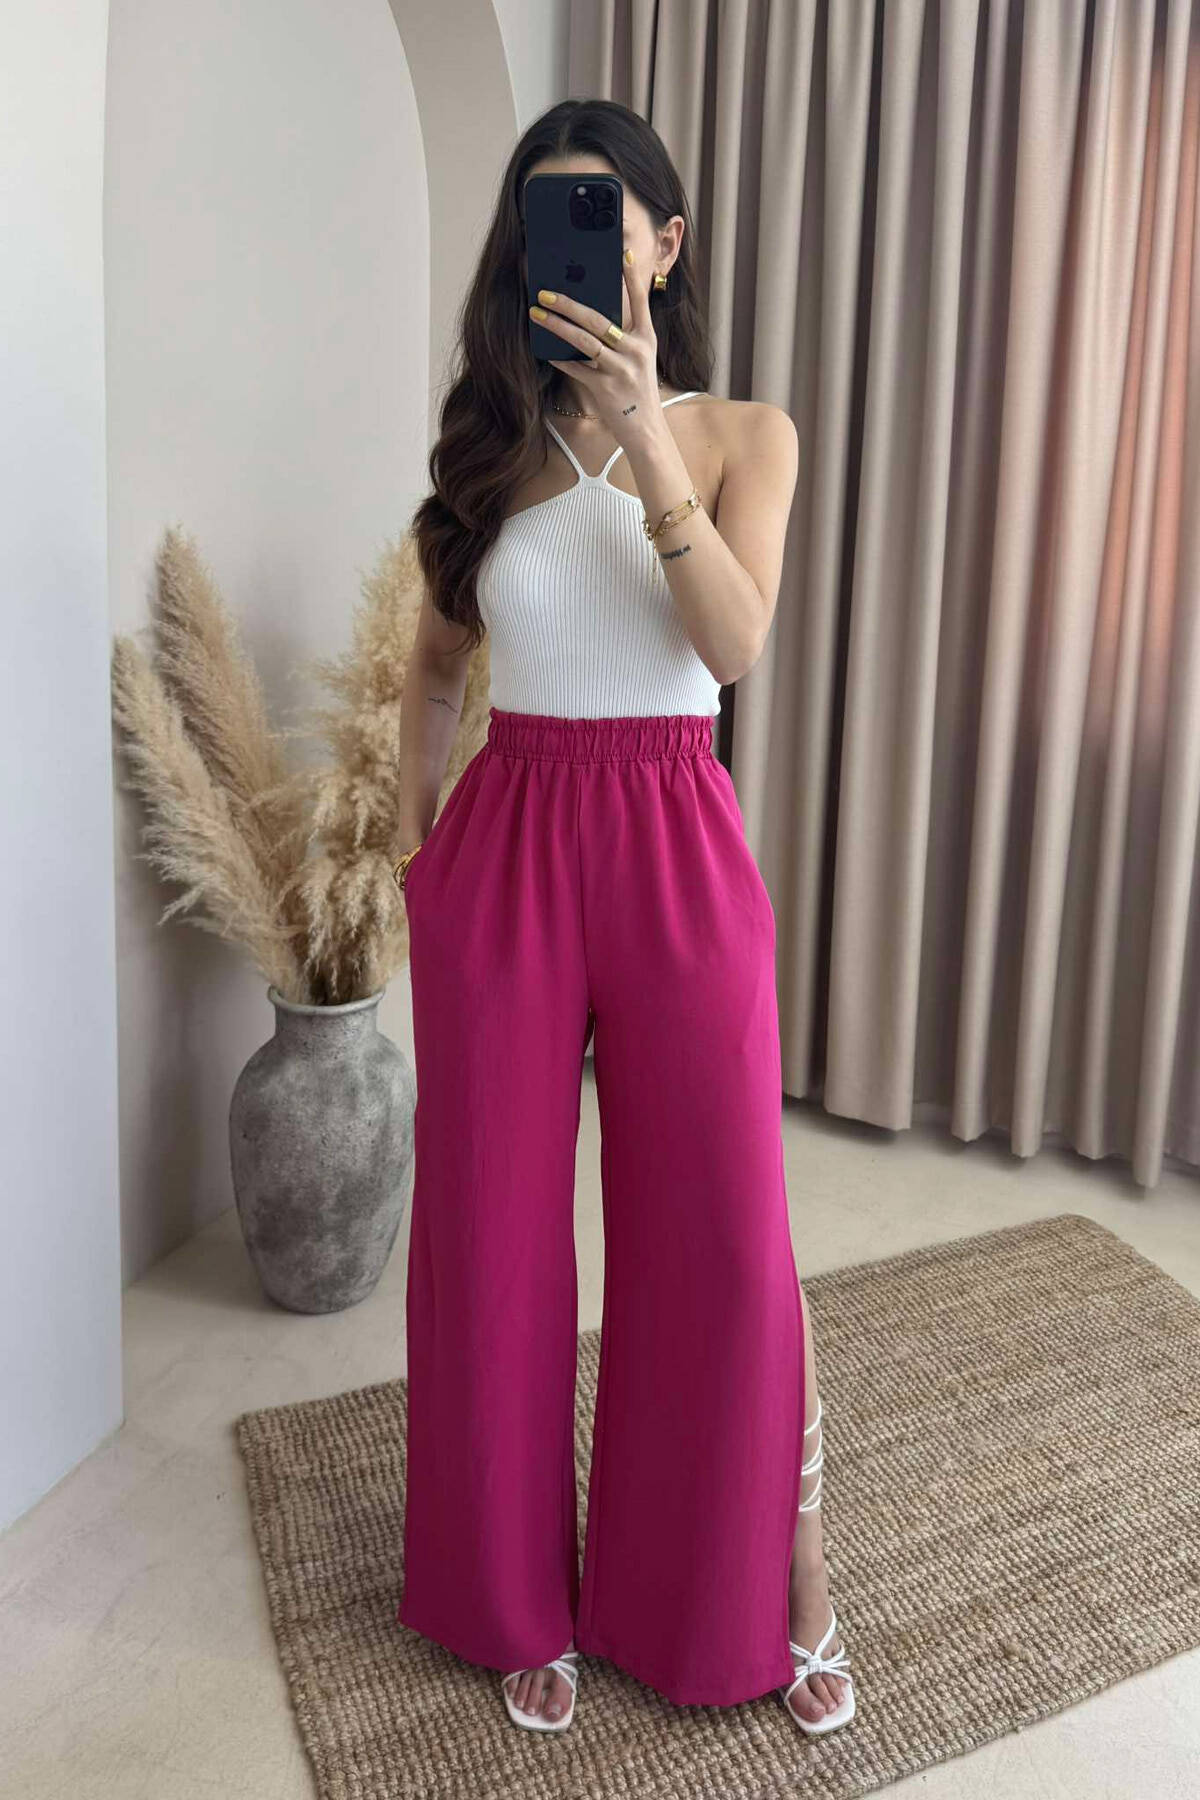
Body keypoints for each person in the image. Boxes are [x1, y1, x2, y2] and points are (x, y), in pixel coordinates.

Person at [391, 98, 855, 1738]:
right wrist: (418, 850)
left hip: (673, 831)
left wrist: (648, 435)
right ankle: (512, 1598)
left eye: (602, 212)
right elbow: (435, 667)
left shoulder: (746, 435)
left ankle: (762, 1586)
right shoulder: (488, 452)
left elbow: (731, 647)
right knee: (494, 1240)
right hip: (509, 842)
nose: (571, 241)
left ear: (664, 241)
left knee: (724, 1238)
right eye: (544, 215)